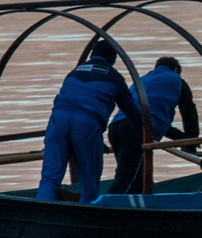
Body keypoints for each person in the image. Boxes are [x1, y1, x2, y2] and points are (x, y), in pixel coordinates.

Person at [37, 41, 140, 203]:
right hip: (86, 124)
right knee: (89, 180)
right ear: (113, 58)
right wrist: (148, 134)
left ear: (92, 54)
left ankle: (41, 210)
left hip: (57, 121)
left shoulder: (74, 72)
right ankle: (87, 214)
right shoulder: (114, 77)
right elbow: (132, 112)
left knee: (50, 177)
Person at [106, 55, 201, 194]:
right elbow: (189, 114)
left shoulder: (143, 80)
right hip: (136, 130)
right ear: (175, 69)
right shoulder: (177, 81)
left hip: (115, 127)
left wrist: (182, 139)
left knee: (136, 177)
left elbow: (156, 121)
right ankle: (108, 209)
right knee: (129, 179)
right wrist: (191, 141)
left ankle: (136, 209)